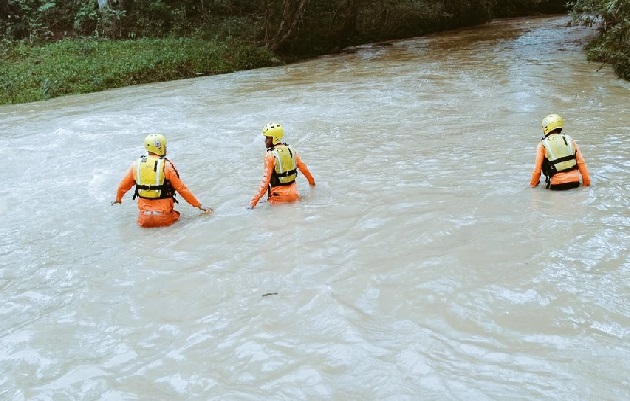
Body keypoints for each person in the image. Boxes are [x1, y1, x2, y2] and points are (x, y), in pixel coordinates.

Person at [112, 133, 212, 227]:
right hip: (165, 218)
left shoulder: (135, 165)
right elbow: (182, 189)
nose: (166, 148)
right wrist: (199, 206)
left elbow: (123, 186)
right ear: (160, 148)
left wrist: (118, 198)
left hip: (143, 220)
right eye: (165, 146)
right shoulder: (167, 165)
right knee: (187, 219)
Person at [248, 122, 315, 209]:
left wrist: (252, 204)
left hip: (278, 199)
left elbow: (265, 183)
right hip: (294, 195)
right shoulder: (291, 150)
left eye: (267, 138)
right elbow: (304, 169)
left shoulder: (270, 155)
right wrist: (312, 184)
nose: (265, 140)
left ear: (274, 139)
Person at [530, 114, 590, 190]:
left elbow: (537, 171)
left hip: (556, 185)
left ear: (546, 128)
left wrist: (532, 186)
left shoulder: (542, 145)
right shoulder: (570, 140)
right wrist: (587, 184)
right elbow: (581, 163)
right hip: (575, 183)